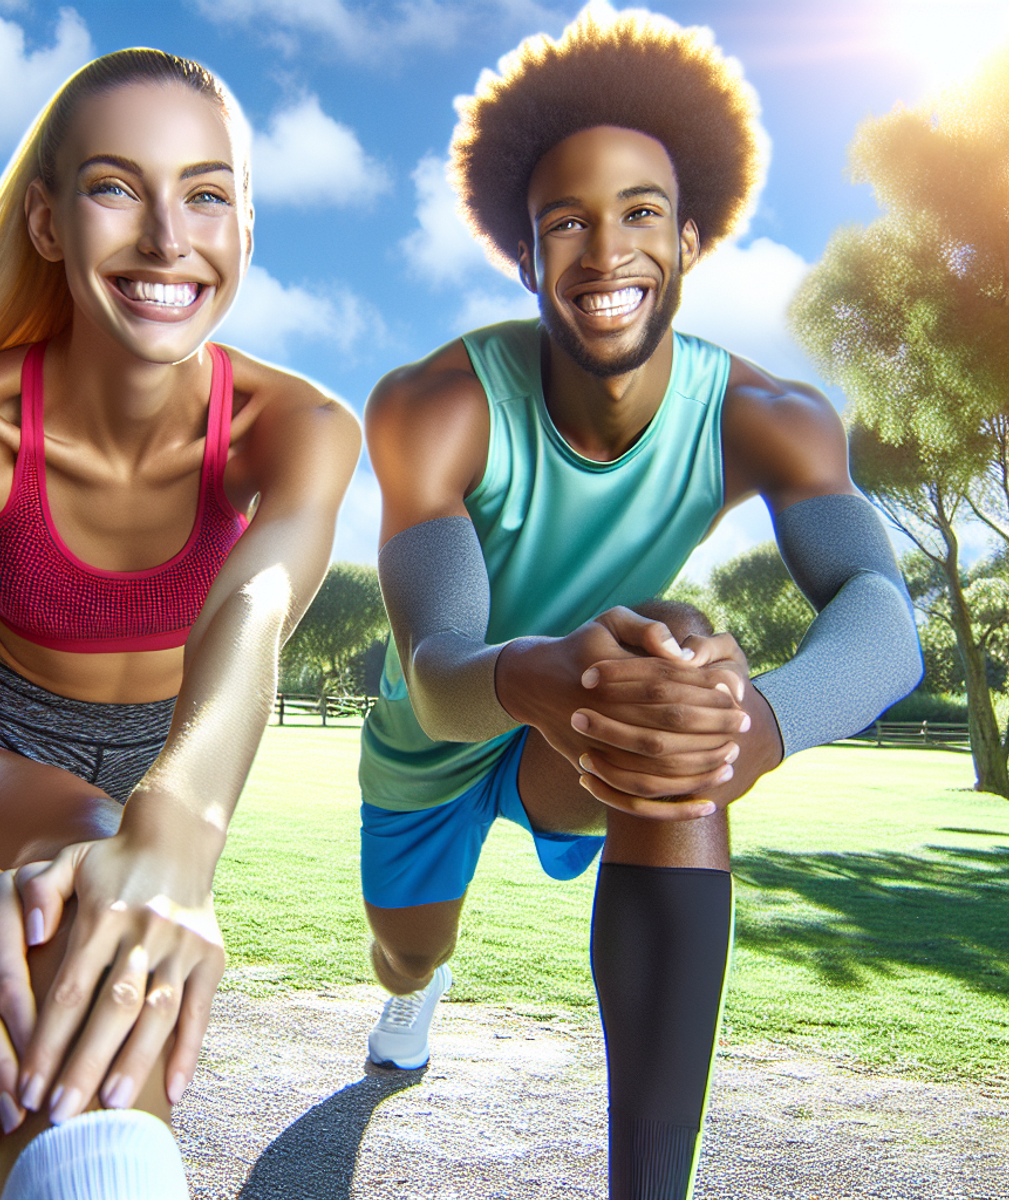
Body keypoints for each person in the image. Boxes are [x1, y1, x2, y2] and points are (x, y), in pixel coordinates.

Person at [357, 6, 922, 1198]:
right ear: (526, 255)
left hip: (590, 718)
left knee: (682, 675)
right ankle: (414, 989)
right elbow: (442, 667)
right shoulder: (436, 403)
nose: (605, 252)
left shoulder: (770, 417)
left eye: (641, 215)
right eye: (567, 222)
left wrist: (755, 724)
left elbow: (882, 608)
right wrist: (536, 673)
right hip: (451, 726)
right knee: (408, 950)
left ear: (692, 238)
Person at [0, 48, 359, 1198]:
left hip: (179, 744)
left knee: (59, 907)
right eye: (119, 187)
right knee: (62, 902)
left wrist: (177, 824)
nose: (170, 238)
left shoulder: (302, 426)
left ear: (247, 227)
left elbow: (258, 608)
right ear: (46, 222)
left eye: (208, 193)